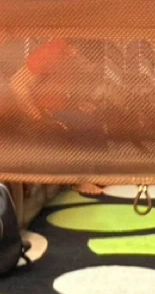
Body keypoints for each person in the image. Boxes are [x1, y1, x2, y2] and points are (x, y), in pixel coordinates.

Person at [8, 39, 106, 196]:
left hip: (59, 110)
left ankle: (100, 174)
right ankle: (81, 179)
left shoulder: (71, 62)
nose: (88, 67)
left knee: (96, 118)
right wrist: (36, 116)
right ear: (74, 50)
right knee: (87, 124)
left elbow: (58, 91)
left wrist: (77, 104)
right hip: (43, 113)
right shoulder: (50, 53)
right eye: (87, 63)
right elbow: (17, 83)